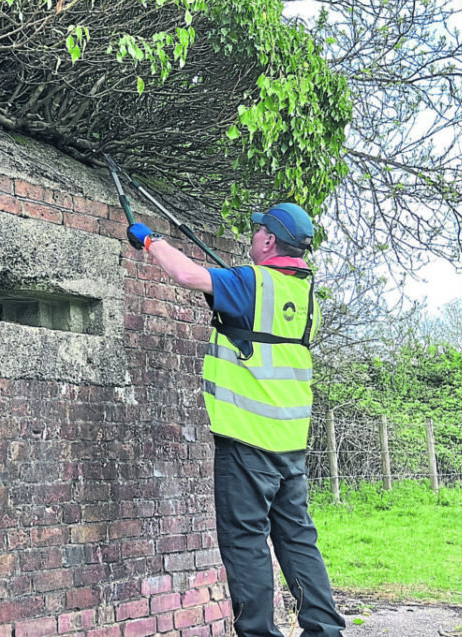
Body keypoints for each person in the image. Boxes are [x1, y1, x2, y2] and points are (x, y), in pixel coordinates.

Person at [127, 203, 346, 637]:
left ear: (268, 240)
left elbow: (188, 275)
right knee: (296, 538)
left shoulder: (251, 282)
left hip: (246, 440)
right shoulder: (305, 299)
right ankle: (324, 630)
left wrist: (149, 239)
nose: (253, 237)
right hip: (290, 442)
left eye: (257, 232)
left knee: (245, 542)